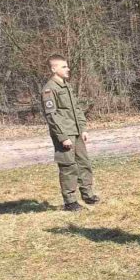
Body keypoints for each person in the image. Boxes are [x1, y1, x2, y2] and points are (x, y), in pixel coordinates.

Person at [40, 55, 99, 211]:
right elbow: (52, 116)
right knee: (68, 167)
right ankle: (70, 201)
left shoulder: (67, 86)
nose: (68, 69)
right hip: (65, 134)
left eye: (67, 66)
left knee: (84, 163)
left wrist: (83, 128)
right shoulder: (49, 89)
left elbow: (76, 108)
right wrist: (63, 137)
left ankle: (87, 194)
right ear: (54, 69)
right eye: (64, 67)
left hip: (76, 132)